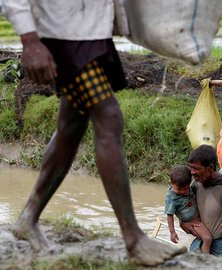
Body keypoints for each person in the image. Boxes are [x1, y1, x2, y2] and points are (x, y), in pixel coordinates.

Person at [2, 0, 183, 265]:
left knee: (70, 127)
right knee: (109, 117)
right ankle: (133, 239)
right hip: (64, 37)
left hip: (90, 34)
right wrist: (30, 40)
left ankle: (28, 218)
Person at [165, 166, 212, 253]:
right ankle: (206, 258)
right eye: (178, 189)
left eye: (186, 189)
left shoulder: (191, 185)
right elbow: (169, 215)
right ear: (171, 183)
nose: (183, 192)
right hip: (194, 223)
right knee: (207, 238)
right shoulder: (172, 199)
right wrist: (172, 232)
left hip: (197, 219)